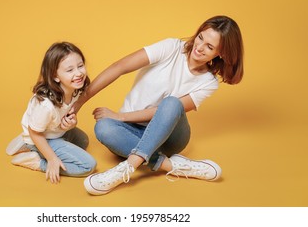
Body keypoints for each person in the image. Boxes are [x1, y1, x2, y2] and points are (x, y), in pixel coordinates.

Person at [72, 15, 244, 195]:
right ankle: (174, 165)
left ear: (221, 53)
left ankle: (126, 168)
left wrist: (120, 116)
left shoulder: (208, 82)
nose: (199, 48)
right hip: (131, 131)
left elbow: (163, 111)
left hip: (169, 139)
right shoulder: (171, 48)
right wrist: (79, 102)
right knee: (103, 128)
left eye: (210, 47)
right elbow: (119, 67)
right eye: (201, 37)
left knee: (171, 103)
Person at [6, 42, 96, 184]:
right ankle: (35, 159)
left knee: (83, 140)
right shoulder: (46, 105)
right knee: (88, 166)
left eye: (80, 66)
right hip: (40, 136)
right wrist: (52, 159)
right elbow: (34, 132)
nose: (78, 73)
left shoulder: (75, 88)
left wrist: (72, 124)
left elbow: (64, 112)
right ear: (55, 76)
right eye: (70, 70)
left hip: (53, 131)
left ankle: (34, 146)